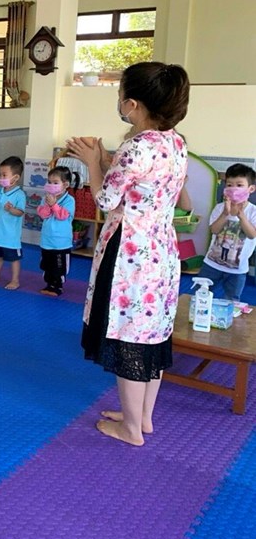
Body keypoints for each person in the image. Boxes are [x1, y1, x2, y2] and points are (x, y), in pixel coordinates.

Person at [66, 61, 189, 447]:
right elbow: (140, 185)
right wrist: (106, 158)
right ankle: (143, 417)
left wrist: (91, 162)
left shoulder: (136, 146)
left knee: (128, 336)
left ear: (132, 104)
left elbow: (106, 199)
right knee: (152, 334)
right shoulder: (175, 141)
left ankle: (131, 429)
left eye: (120, 96)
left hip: (131, 254)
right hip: (162, 250)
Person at [198, 163, 256, 301]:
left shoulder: (253, 211)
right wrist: (225, 214)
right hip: (212, 264)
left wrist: (241, 216)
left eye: (239, 185)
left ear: (251, 189)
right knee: (200, 295)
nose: (234, 189)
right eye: (229, 185)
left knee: (232, 300)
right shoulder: (219, 208)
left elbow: (252, 235)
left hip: (238, 269)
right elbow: (214, 230)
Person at [0, 156, 27, 290]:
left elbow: (20, 212)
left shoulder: (19, 194)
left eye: (4, 175)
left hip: (10, 236)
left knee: (14, 259)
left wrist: (11, 209)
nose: (1, 177)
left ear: (16, 177)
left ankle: (15, 280)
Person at [36, 166, 76, 296]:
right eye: (49, 182)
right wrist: (49, 205)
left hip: (61, 242)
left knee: (59, 266)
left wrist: (54, 205)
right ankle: (49, 284)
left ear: (65, 185)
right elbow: (43, 214)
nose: (51, 185)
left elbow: (62, 216)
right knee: (47, 264)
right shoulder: (46, 198)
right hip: (47, 239)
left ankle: (58, 286)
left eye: (55, 183)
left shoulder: (69, 200)